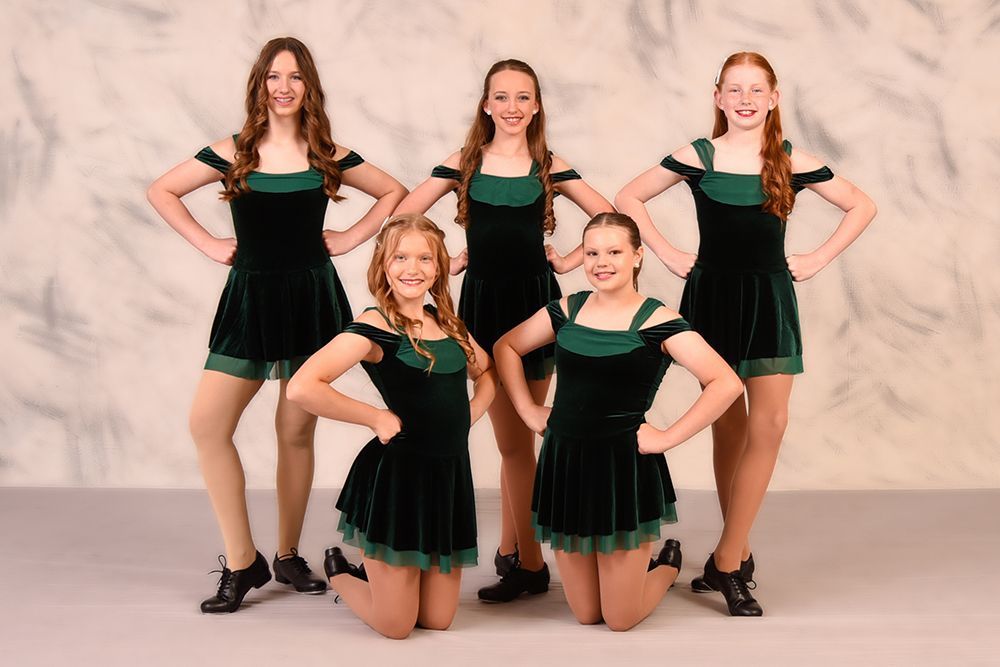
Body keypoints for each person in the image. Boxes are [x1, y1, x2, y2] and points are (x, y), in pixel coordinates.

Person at [146, 37, 407, 613]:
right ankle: (244, 562)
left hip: (312, 299)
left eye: (295, 77)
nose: (283, 87)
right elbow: (161, 190)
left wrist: (349, 238)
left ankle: (287, 554)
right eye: (273, 77)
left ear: (310, 87)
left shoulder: (326, 152)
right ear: (259, 85)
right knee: (208, 424)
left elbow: (394, 191)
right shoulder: (232, 150)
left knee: (295, 430)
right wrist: (209, 243)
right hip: (250, 299)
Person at [615, 51, 877, 616]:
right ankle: (740, 551)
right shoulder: (698, 155)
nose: (745, 99)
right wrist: (667, 252)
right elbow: (628, 196)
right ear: (718, 97)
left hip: (768, 298)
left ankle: (728, 560)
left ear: (774, 98)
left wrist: (820, 256)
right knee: (728, 427)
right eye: (733, 90)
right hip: (711, 299)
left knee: (772, 422)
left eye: (756, 90)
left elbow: (861, 204)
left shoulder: (790, 159)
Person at [394, 59, 613, 602]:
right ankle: (518, 555)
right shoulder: (464, 163)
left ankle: (530, 565)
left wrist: (569, 261)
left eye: (523, 97)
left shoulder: (549, 165)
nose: (512, 107)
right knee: (512, 442)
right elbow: (402, 215)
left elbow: (609, 218)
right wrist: (443, 259)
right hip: (483, 306)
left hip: (535, 307)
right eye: (502, 97)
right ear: (486, 105)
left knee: (519, 441)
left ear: (536, 106)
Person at [493, 212, 743, 630]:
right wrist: (527, 409)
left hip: (623, 472)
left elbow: (726, 382)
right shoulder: (566, 310)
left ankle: (664, 567)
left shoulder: (656, 321)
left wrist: (666, 438)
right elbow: (506, 347)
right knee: (587, 615)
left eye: (613, 252)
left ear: (637, 256)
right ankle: (639, 571)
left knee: (620, 619)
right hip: (566, 467)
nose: (600, 262)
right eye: (592, 253)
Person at [287, 214, 496, 638]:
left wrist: (470, 413)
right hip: (398, 481)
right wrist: (375, 416)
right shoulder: (375, 325)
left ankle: (384, 579)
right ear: (384, 264)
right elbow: (302, 387)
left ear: (438, 268)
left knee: (438, 620)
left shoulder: (448, 323)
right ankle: (342, 574)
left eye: (424, 259)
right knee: (397, 626)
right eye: (400, 257)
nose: (412, 269)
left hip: (448, 478)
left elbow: (487, 374)